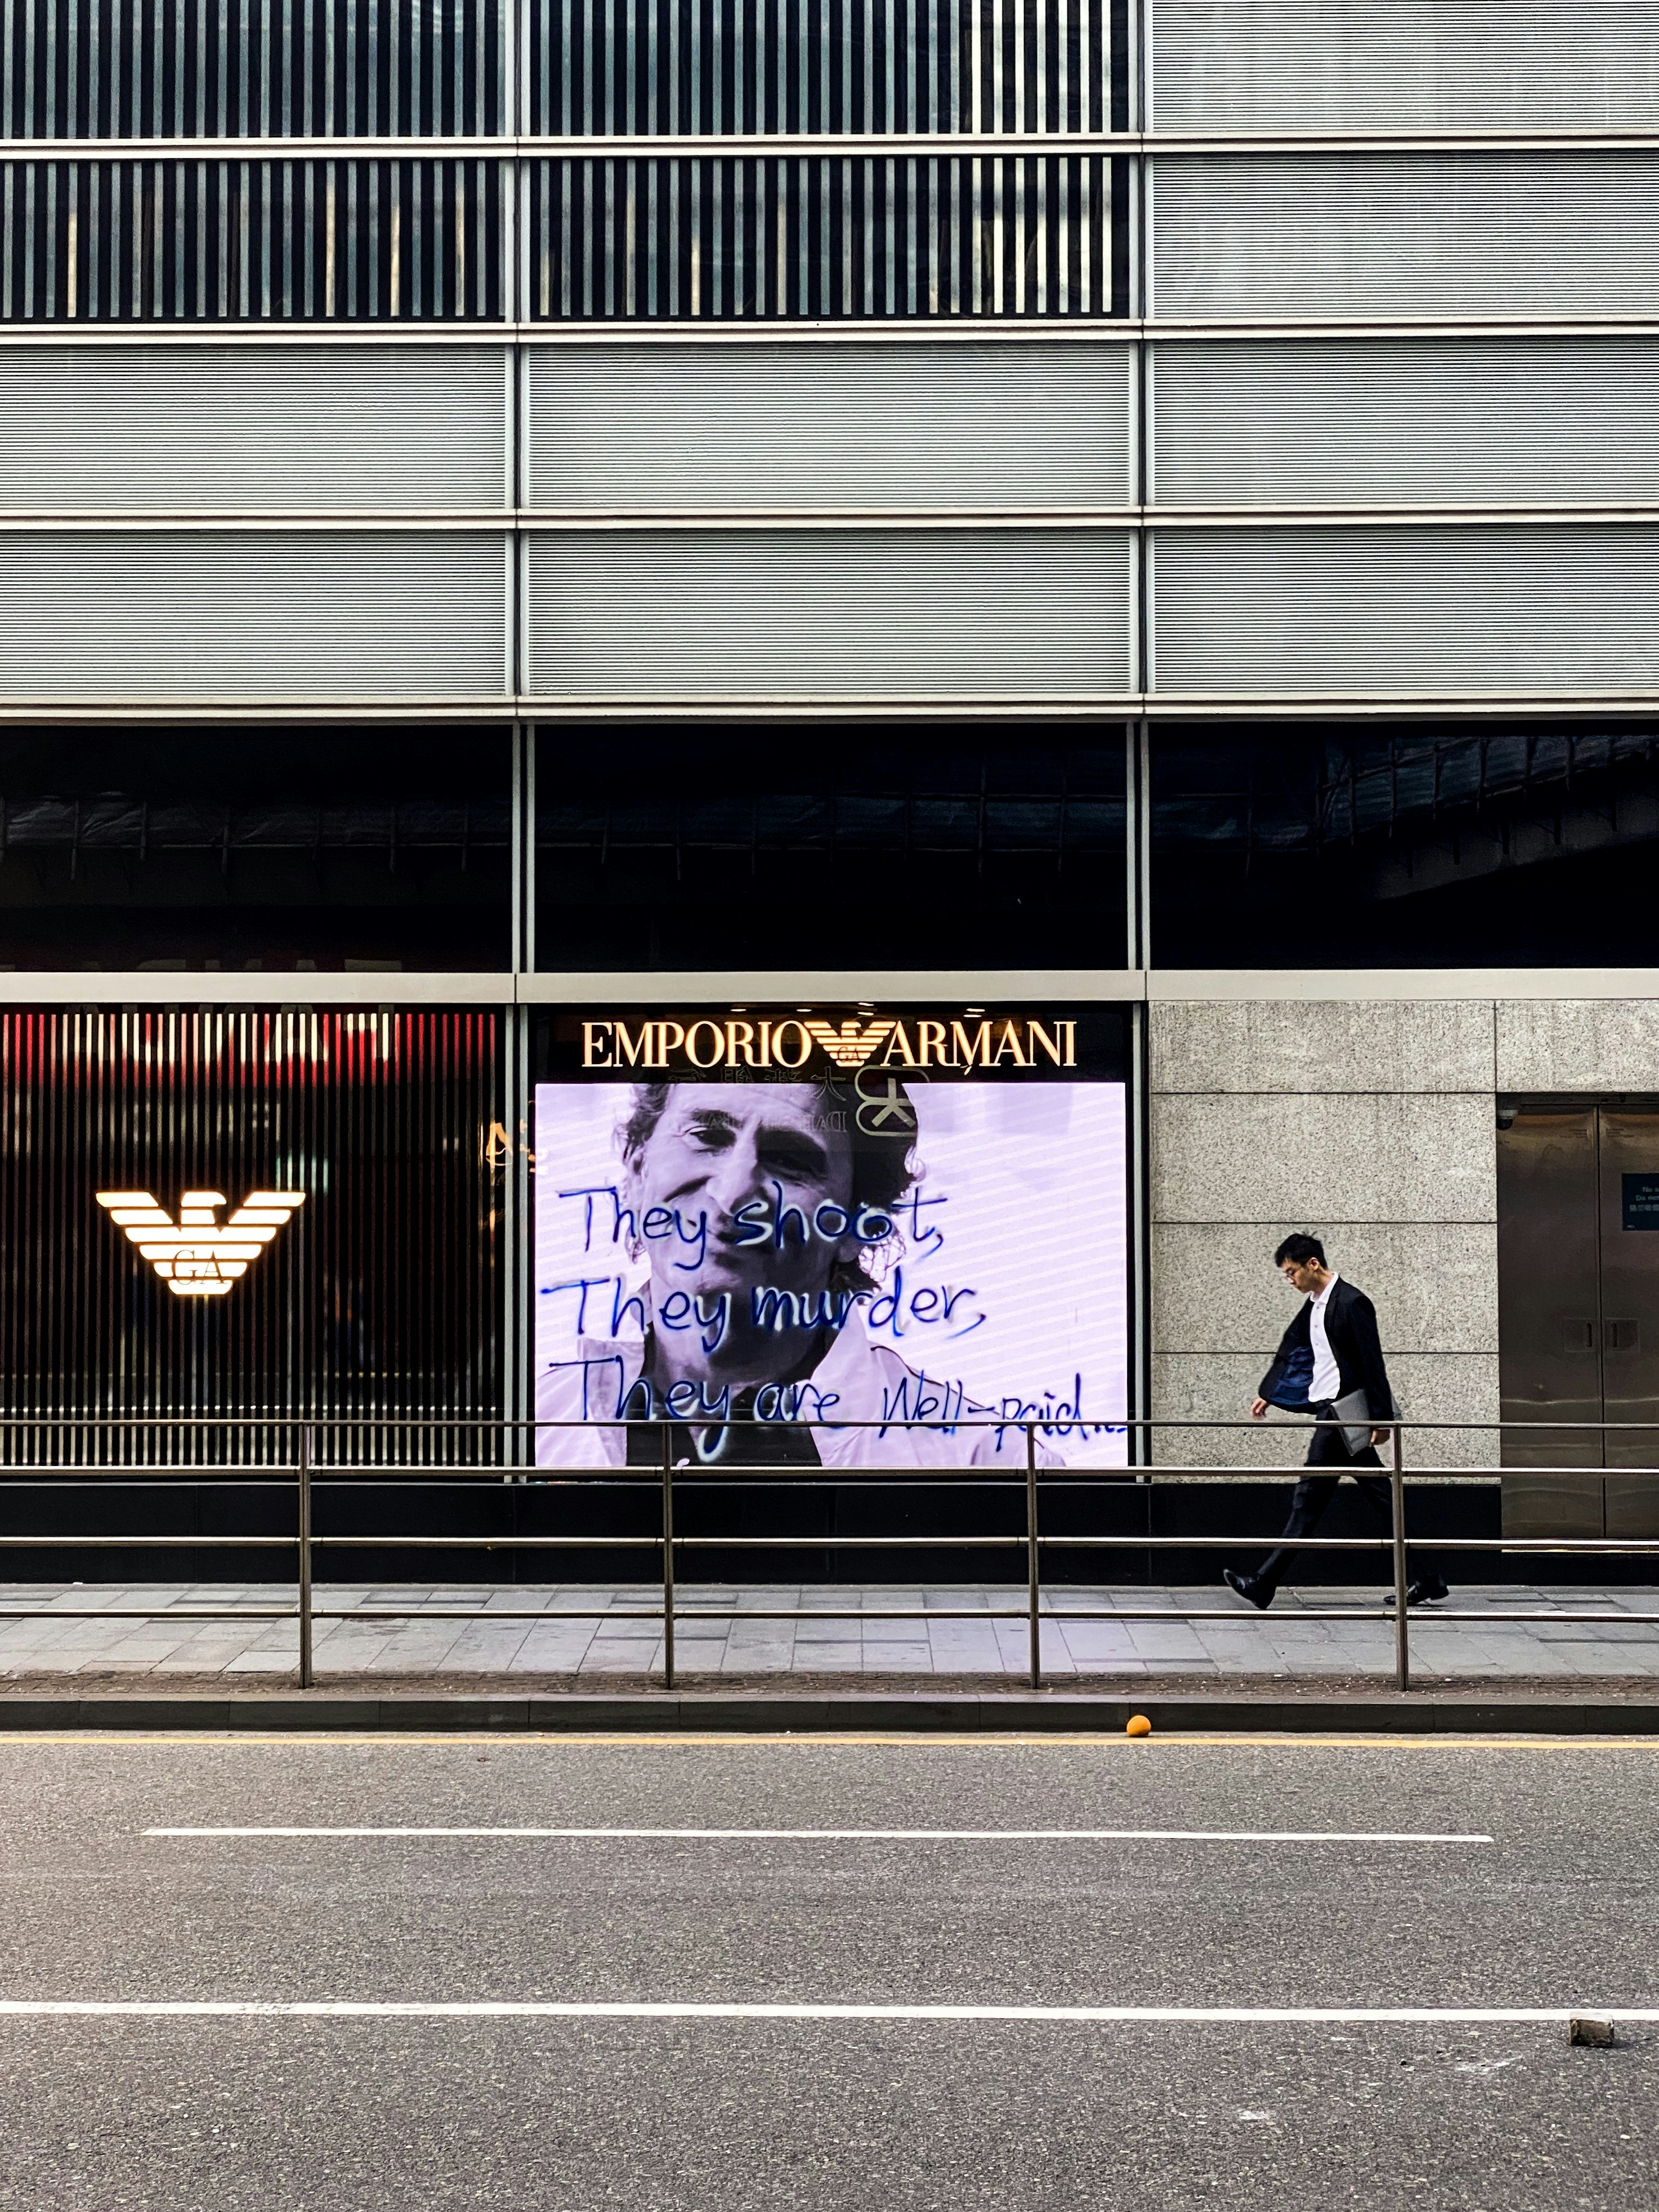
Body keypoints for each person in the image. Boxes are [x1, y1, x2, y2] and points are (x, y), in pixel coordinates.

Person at [536, 1078, 1046, 1469]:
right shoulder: (535, 1428)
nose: (733, 1192)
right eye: (707, 1136)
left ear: (857, 1225)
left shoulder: (984, 1462)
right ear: (636, 1171)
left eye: (789, 1161)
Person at [1222, 1232, 1449, 1611]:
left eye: (1292, 1272)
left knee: (1308, 1499)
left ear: (1313, 1264)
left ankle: (1263, 1583)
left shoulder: (1352, 1302)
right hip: (1332, 1411)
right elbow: (1293, 1350)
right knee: (1377, 1498)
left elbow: (1371, 1363)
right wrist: (1271, 1390)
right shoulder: (1313, 1305)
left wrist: (1378, 1419)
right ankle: (1428, 1578)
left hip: (1343, 1414)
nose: (1290, 1280)